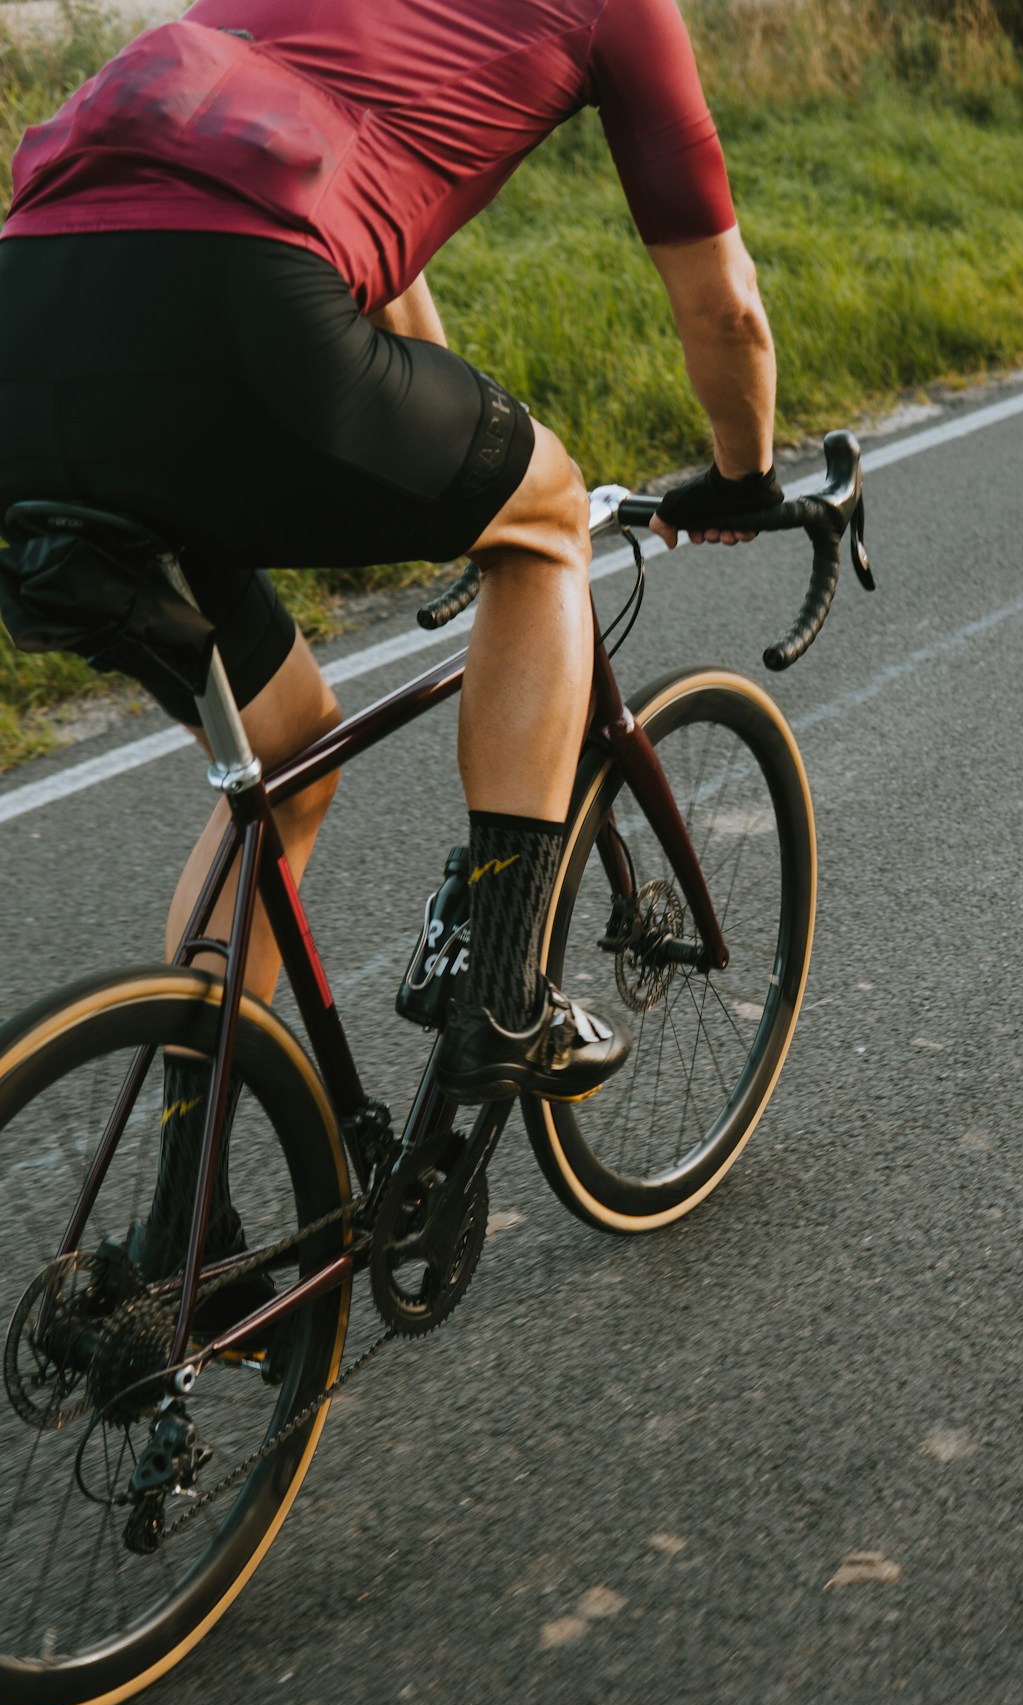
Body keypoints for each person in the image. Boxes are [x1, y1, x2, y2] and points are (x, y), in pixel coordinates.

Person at [0, 1, 783, 1272]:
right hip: (241, 300)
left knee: (287, 751)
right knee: (542, 523)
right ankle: (505, 1001)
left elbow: (357, 224)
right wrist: (744, 476)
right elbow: (726, 314)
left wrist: (445, 458)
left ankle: (177, 1224)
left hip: (27, 329)